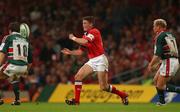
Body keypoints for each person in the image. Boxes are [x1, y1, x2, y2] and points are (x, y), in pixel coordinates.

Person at [61, 16, 128, 105]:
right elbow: (81, 51)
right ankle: (76, 100)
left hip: (100, 59)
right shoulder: (85, 35)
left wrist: (73, 38)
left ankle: (122, 95)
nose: (83, 25)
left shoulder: (94, 31)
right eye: (83, 23)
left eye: (85, 23)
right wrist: (70, 52)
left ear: (91, 24)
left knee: (104, 87)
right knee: (78, 76)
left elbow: (84, 42)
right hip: (92, 61)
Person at [148, 19, 180, 106]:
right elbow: (168, 50)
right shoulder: (170, 34)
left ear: (158, 27)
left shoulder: (160, 36)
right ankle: (162, 101)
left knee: (160, 86)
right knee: (155, 80)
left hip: (170, 61)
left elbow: (158, 54)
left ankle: (162, 102)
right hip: (168, 60)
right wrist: (159, 63)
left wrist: (151, 64)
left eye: (154, 26)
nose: (153, 28)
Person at [0, 22, 32, 105]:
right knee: (14, 79)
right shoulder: (26, 40)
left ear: (10, 30)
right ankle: (17, 100)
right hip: (23, 67)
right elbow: (30, 61)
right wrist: (26, 71)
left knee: (6, 75)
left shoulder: (8, 37)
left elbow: (2, 53)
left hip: (13, 65)